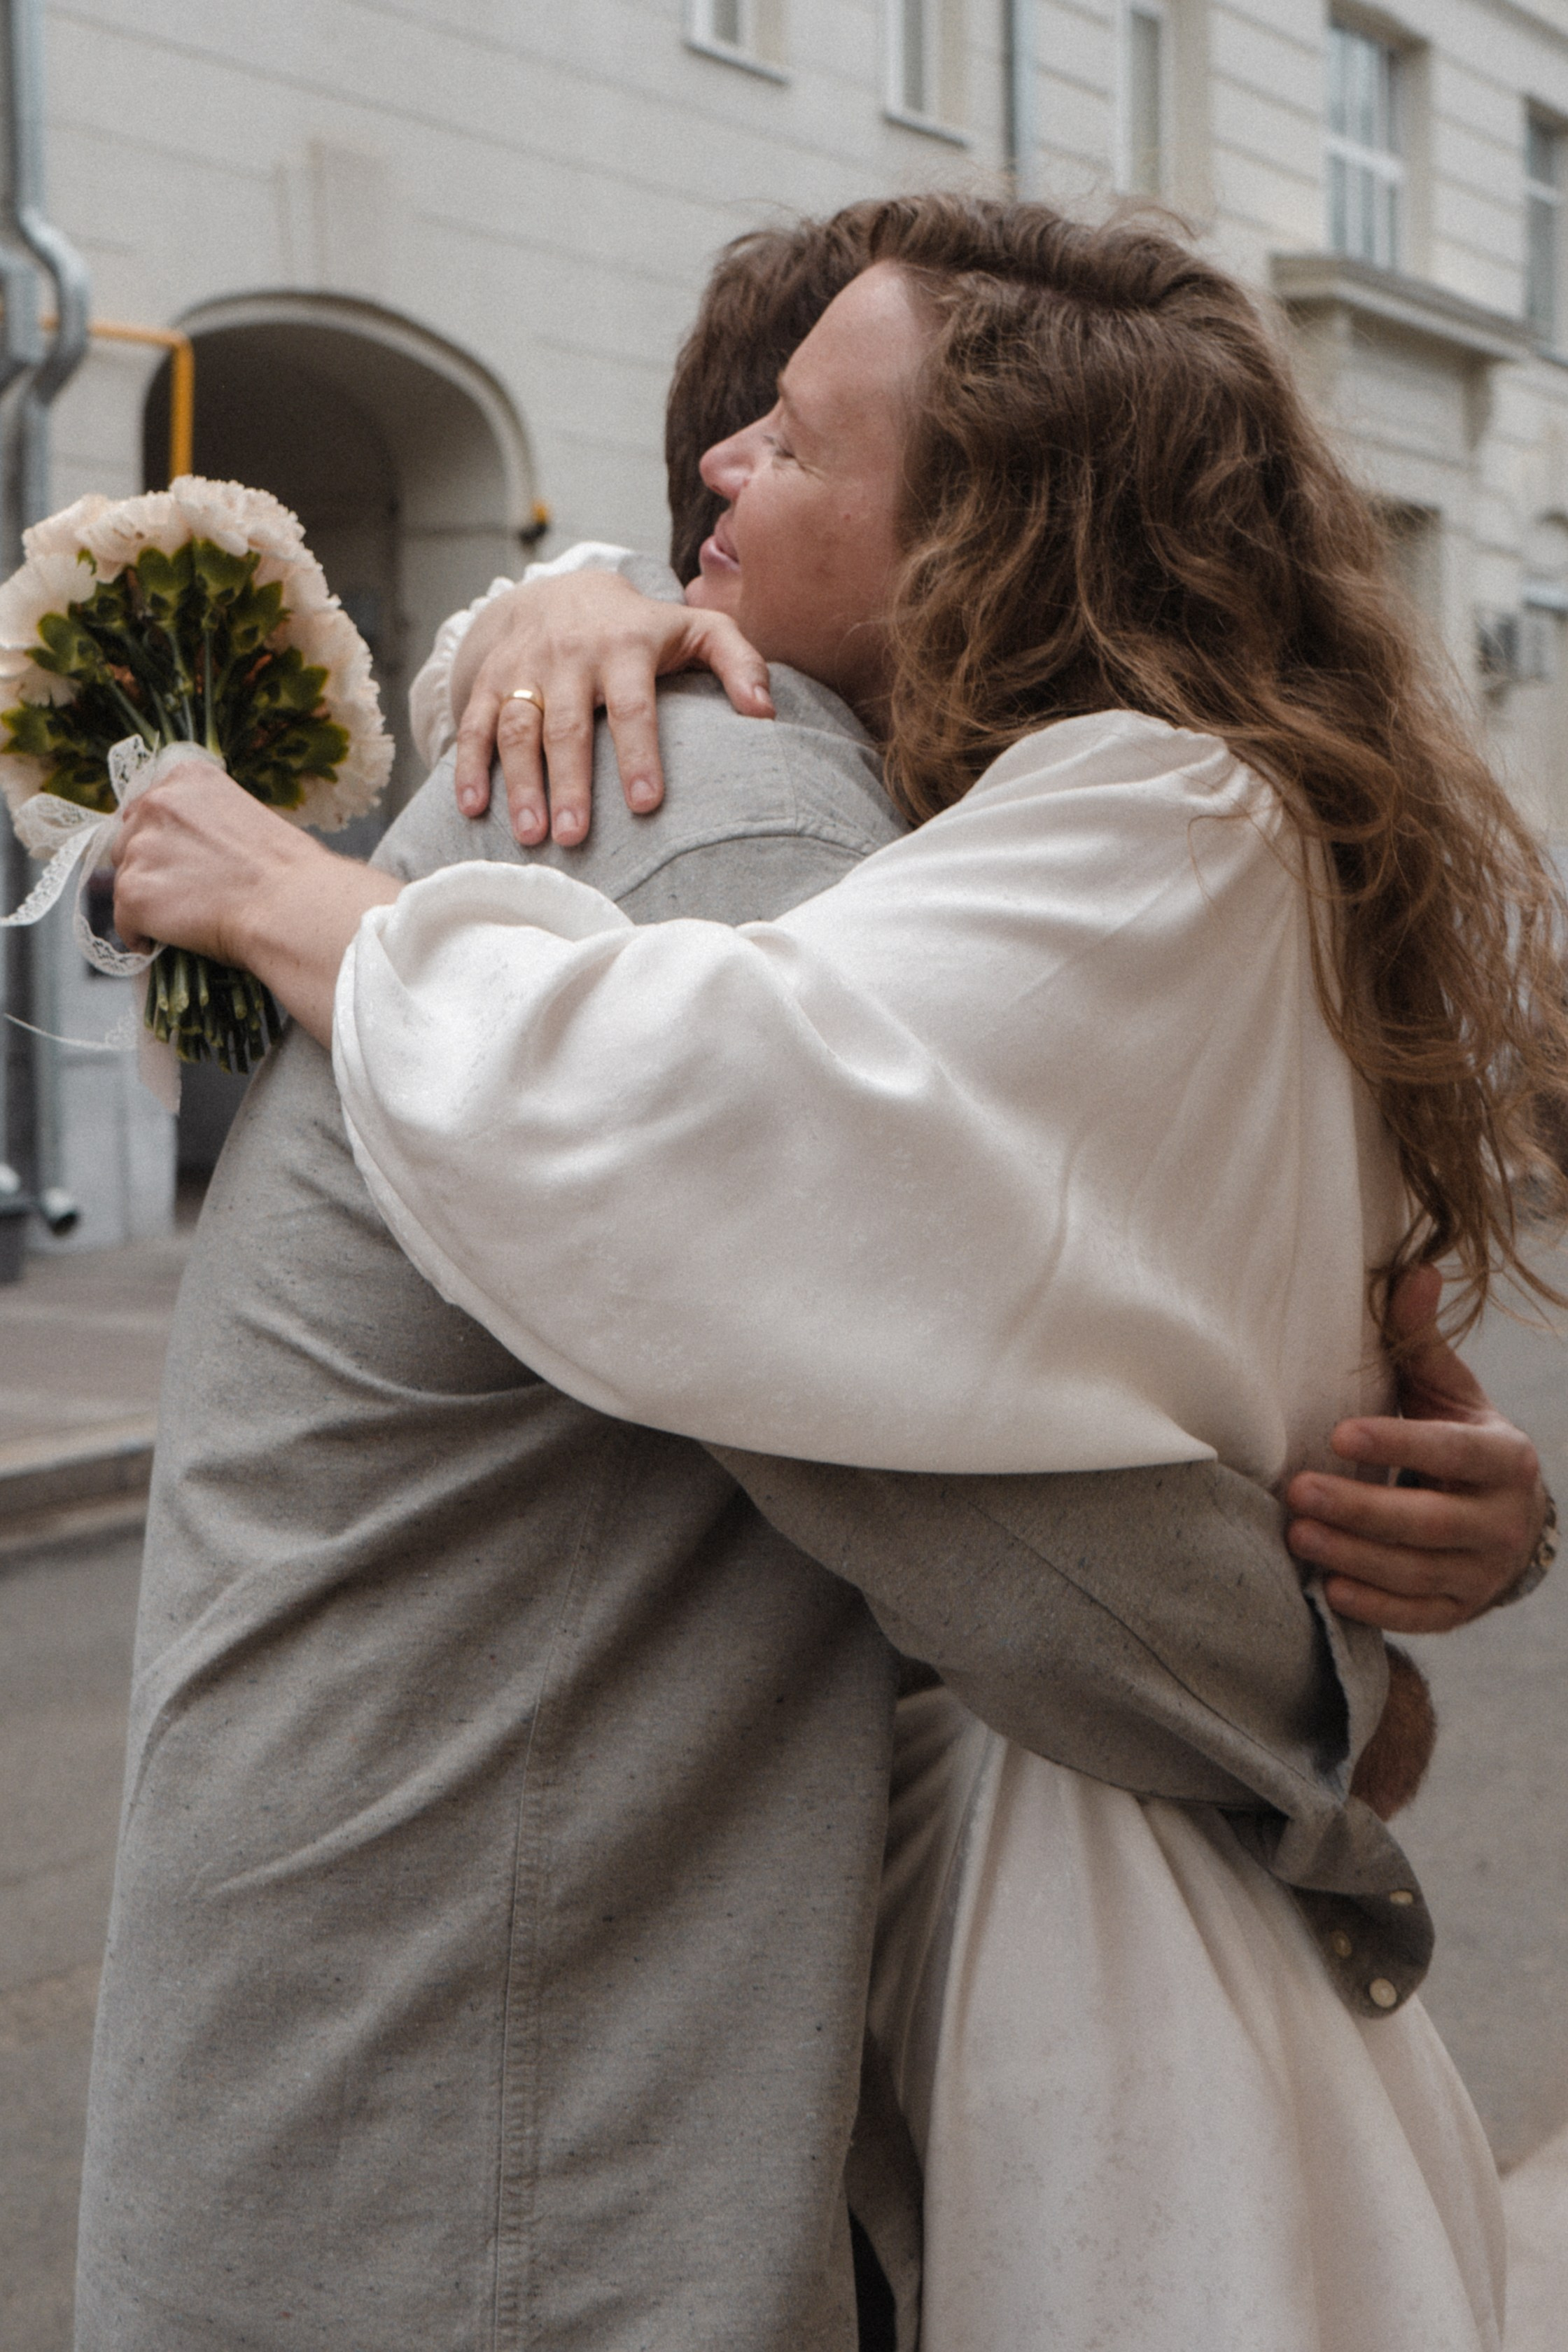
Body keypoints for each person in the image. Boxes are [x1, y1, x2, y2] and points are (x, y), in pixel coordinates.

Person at [104, 200, 1558, 2352]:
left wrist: (305, 899)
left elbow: (755, 1165)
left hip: (528, 2062)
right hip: (493, 2086)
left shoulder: (1082, 854)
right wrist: (1351, 1681)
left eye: (791, 444)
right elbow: (1020, 1504)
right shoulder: (798, 818)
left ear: (982, 547)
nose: (715, 481)